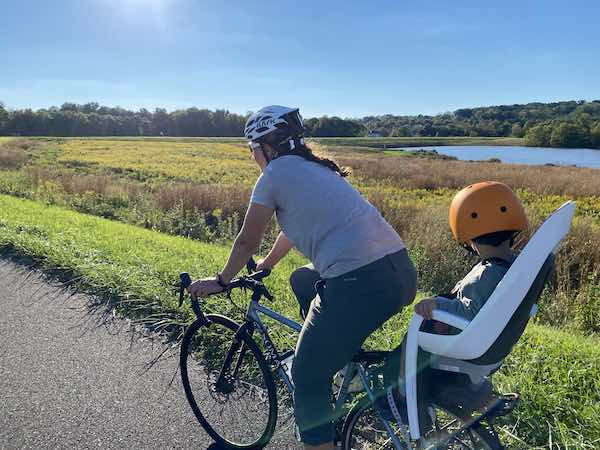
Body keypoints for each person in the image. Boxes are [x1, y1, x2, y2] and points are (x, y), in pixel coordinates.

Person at [189, 105, 417, 450]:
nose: (254, 158)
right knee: (303, 279)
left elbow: (246, 239)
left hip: (358, 285)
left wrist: (221, 281)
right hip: (400, 274)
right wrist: (266, 263)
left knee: (307, 375)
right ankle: (343, 366)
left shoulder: (274, 175)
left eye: (253, 150)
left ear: (266, 146)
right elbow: (293, 231)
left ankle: (325, 382)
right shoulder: (317, 170)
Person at [383, 181, 529, 428]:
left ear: (468, 234)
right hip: (492, 345)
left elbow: (468, 313)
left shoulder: (488, 274)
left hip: (466, 343)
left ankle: (407, 400)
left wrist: (435, 304)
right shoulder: (514, 266)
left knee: (409, 344)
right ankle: (466, 393)